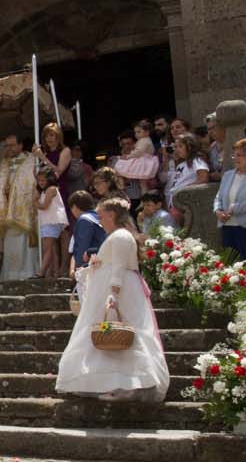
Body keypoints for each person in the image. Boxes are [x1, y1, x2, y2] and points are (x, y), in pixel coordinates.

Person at [57, 198, 169, 402]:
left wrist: (113, 295)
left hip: (119, 291)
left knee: (123, 333)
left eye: (101, 216)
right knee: (107, 333)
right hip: (110, 288)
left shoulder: (120, 236)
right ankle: (110, 382)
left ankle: (126, 384)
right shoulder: (118, 236)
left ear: (112, 215)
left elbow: (118, 267)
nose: (100, 221)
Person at [0, 134, 40, 281]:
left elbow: (31, 183)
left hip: (24, 209)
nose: (8, 149)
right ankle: (10, 275)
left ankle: (28, 272)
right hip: (7, 211)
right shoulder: (3, 164)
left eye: (12, 145)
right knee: (11, 244)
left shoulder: (31, 160)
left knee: (24, 243)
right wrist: (3, 190)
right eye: (6, 146)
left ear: (20, 145)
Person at [213, 139, 246, 258]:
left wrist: (232, 209)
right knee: (229, 263)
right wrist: (218, 211)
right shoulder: (228, 175)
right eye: (234, 155)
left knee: (245, 263)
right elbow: (219, 196)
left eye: (239, 155)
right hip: (227, 225)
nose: (235, 158)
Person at [36, 166, 69, 278]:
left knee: (48, 248)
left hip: (52, 221)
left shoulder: (51, 189)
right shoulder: (44, 191)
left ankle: (41, 272)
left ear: (49, 180)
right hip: (47, 222)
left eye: (43, 180)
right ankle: (54, 273)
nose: (40, 183)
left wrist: (35, 203)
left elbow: (45, 206)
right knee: (52, 249)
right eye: (39, 180)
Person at [163, 136, 209, 212]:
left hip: (185, 202)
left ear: (190, 147)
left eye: (180, 146)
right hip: (174, 202)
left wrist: (184, 189)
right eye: (176, 147)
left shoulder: (197, 160)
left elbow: (203, 178)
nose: (177, 149)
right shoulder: (181, 165)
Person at [66, 190, 105, 273]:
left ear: (75, 207)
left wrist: (79, 270)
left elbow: (82, 247)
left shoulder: (84, 220)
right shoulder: (98, 216)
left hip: (92, 267)